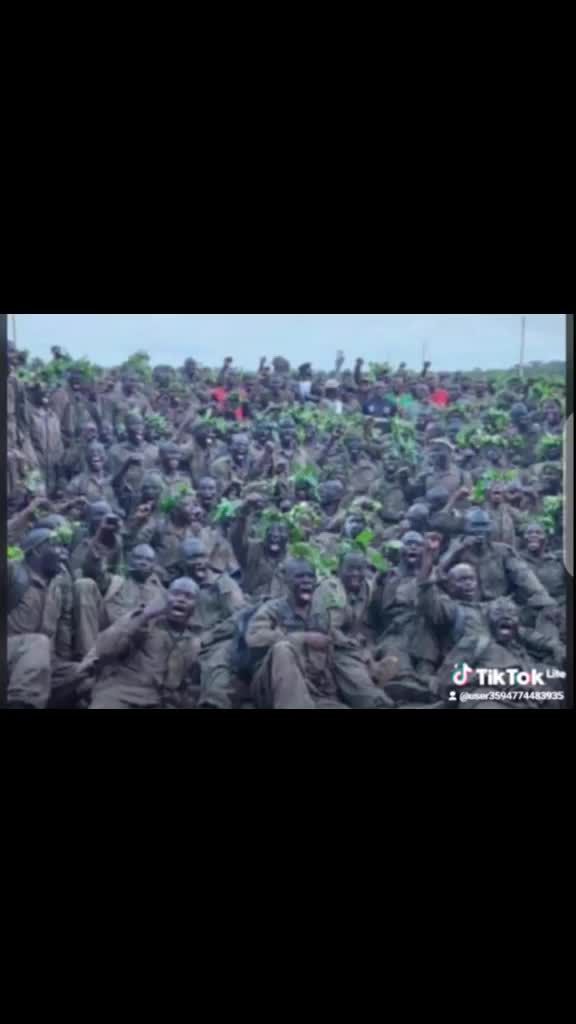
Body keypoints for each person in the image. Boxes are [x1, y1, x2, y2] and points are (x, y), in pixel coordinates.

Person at [246, 559, 390, 709]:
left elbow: (340, 641)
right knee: (283, 648)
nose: (306, 581)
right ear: (287, 581)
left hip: (314, 689)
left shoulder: (320, 612)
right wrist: (302, 638)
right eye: (299, 576)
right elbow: (254, 638)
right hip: (273, 687)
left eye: (310, 576)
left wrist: (366, 657)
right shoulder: (272, 609)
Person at [78, 580, 202, 709]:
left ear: (196, 605)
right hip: (119, 693)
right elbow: (104, 649)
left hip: (157, 701)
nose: (181, 600)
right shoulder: (144, 619)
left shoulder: (195, 640)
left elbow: (186, 685)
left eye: (188, 597)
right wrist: (146, 615)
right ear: (165, 598)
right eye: (176, 594)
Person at [7, 529, 74, 708]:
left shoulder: (57, 587)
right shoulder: (13, 572)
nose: (64, 552)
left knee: (86, 672)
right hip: (8, 656)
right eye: (56, 546)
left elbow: (63, 631)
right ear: (37, 551)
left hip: (41, 667)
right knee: (38, 642)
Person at [175, 540, 246, 708]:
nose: (199, 562)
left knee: (217, 664)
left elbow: (240, 616)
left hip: (220, 641)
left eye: (202, 556)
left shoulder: (223, 583)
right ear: (182, 563)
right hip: (188, 641)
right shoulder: (180, 587)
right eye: (192, 558)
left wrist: (207, 637)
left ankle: (214, 703)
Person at [73, 543, 164, 658]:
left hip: (133, 639)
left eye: (148, 560)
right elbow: (95, 574)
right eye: (138, 558)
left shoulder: (161, 594)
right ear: (129, 559)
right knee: (85, 584)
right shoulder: (116, 580)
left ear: (154, 564)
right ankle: (88, 657)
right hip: (105, 627)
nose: (143, 562)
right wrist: (94, 559)